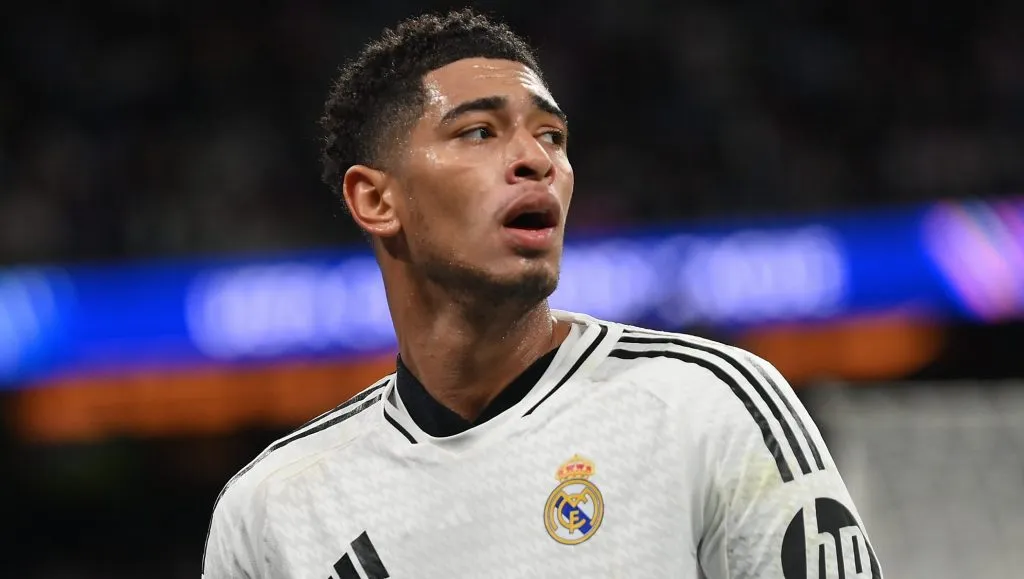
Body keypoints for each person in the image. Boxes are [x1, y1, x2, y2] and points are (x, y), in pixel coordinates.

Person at [202, 9, 882, 579]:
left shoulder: (706, 405)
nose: (538, 160)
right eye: (478, 131)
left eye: (551, 135)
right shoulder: (276, 509)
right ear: (376, 199)